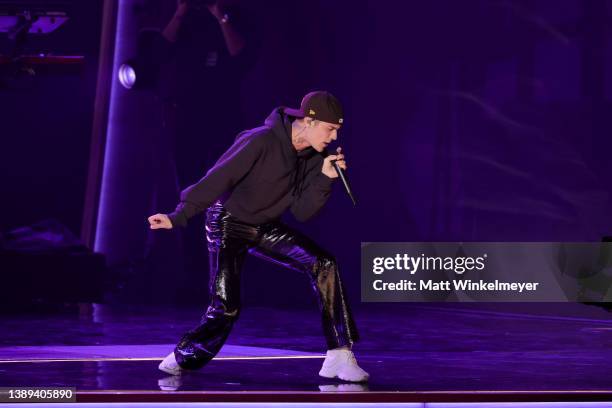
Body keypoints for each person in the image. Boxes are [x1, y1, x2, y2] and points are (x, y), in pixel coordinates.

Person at [148, 91, 369, 382]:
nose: (335, 136)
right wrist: (179, 215)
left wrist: (325, 177)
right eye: (331, 128)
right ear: (310, 121)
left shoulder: (315, 157)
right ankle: (183, 356)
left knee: (323, 263)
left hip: (264, 224)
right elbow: (218, 177)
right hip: (227, 221)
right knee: (226, 305)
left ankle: (339, 354)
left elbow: (303, 212)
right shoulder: (260, 140)